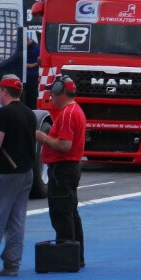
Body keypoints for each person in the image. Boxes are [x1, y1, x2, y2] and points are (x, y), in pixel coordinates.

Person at [0, 75, 36, 277]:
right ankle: (12, 263)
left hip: (5, 173)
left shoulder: (3, 113)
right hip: (26, 172)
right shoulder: (29, 113)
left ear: (5, 91)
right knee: (16, 219)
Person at [35, 75, 86, 268]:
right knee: (71, 212)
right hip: (69, 168)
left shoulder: (67, 114)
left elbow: (65, 145)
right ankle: (77, 257)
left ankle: (66, 258)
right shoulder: (75, 110)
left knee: (61, 214)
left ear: (60, 91)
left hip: (62, 169)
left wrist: (43, 137)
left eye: (52, 92)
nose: (51, 96)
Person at [24, 31, 40, 109]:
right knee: (26, 95)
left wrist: (31, 65)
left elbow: (40, 61)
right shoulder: (26, 47)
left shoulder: (37, 48)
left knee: (32, 94)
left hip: (33, 75)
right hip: (25, 75)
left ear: (28, 40)